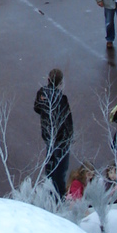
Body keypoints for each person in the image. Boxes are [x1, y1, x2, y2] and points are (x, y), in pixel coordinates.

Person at [33, 69, 74, 197]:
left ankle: (48, 188)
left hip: (48, 134)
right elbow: (66, 119)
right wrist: (69, 136)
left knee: (50, 161)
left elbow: (37, 107)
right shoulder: (61, 98)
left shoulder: (42, 93)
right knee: (61, 166)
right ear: (60, 83)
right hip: (61, 137)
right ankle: (58, 194)